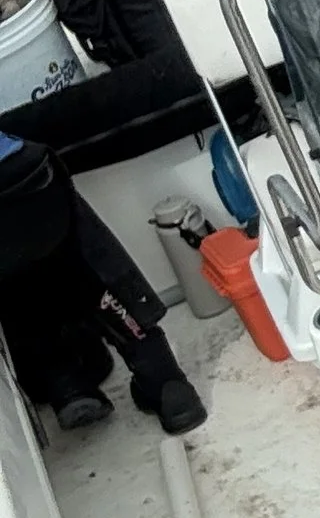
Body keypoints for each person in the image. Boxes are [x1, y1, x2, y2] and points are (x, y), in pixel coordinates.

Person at [0, 132, 207, 437]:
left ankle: (67, 384)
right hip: (28, 173)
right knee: (89, 261)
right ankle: (166, 383)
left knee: (15, 287)